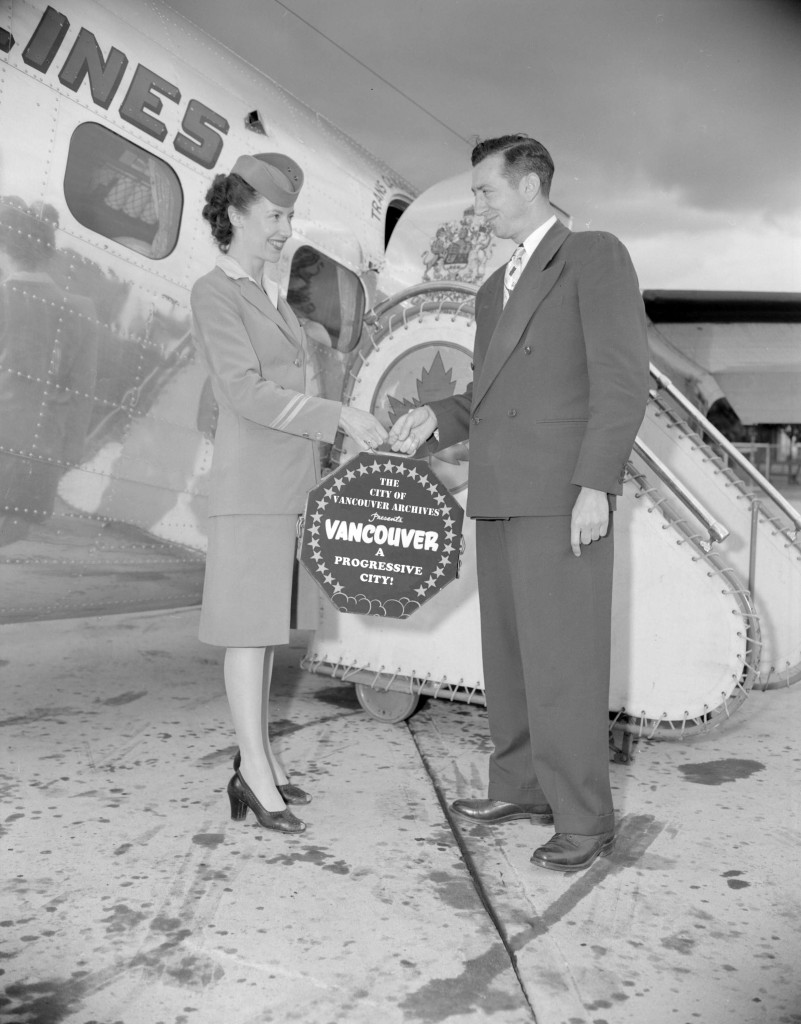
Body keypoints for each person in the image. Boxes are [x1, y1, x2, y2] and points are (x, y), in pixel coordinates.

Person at [389, 135, 649, 871]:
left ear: (530, 185)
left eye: (484, 191)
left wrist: (594, 483)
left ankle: (584, 818)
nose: (476, 205)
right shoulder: (491, 287)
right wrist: (435, 416)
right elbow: (489, 395)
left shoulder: (592, 255)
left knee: (563, 660)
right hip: (500, 493)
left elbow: (622, 379)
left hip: (560, 495)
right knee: (507, 657)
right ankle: (520, 785)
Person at [191, 153, 387, 834]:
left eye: (288, 216)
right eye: (275, 215)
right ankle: (249, 773)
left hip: (287, 485)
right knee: (248, 636)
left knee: (266, 633)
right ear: (237, 212)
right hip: (250, 490)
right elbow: (243, 392)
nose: (285, 228)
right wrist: (338, 419)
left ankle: (262, 762)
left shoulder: (268, 292)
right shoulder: (215, 292)